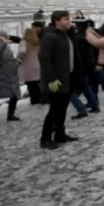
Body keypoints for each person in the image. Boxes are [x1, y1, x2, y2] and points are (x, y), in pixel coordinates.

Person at [38, 11, 81, 149]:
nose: (69, 21)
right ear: (56, 21)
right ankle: (45, 138)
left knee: (62, 109)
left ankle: (60, 134)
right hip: (57, 79)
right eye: (66, 19)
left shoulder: (65, 34)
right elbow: (45, 59)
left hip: (68, 77)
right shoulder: (50, 36)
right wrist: (51, 78)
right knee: (55, 110)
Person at [0, 31, 21, 125]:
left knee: (14, 94)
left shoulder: (5, 44)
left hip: (10, 73)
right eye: (2, 36)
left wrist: (16, 61)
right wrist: (3, 43)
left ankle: (10, 115)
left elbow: (8, 56)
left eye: (5, 36)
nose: (4, 38)